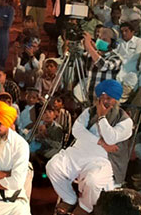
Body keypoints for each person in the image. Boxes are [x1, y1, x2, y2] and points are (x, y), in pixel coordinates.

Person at [47, 79, 133, 215]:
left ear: (116, 100)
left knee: (92, 181)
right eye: (101, 97)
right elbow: (77, 130)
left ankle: (85, 207)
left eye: (109, 98)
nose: (104, 101)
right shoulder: (89, 111)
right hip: (78, 152)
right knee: (53, 166)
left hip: (103, 160)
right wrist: (100, 142)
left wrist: (101, 117)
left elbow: (111, 138)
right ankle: (69, 198)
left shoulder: (126, 121)